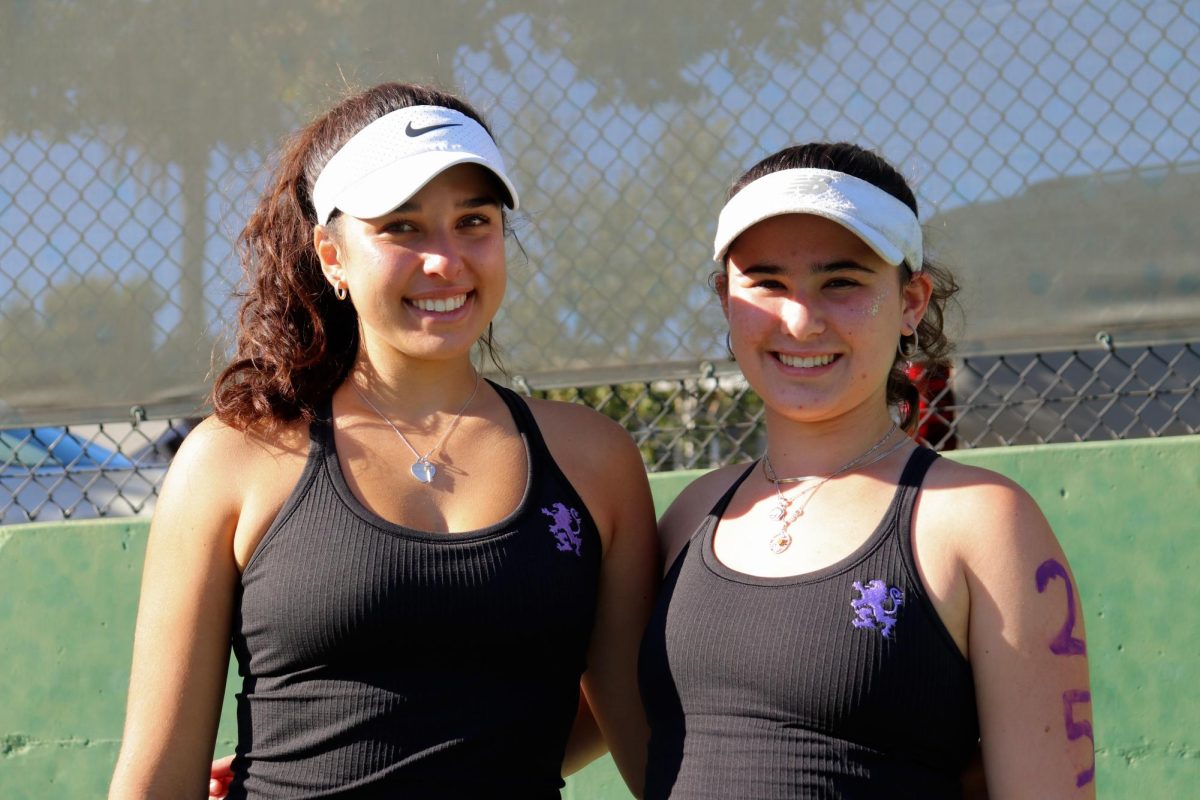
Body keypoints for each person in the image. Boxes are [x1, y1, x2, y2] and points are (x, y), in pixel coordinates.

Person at [109, 82, 657, 800]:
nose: (445, 260)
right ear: (332, 256)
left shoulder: (597, 463)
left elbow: (641, 731)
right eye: (401, 227)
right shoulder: (232, 460)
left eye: (474, 221)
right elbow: (155, 776)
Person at [637, 142, 1095, 798]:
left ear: (912, 301)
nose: (799, 321)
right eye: (766, 282)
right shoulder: (688, 517)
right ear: (724, 300)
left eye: (842, 283)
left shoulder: (981, 520)